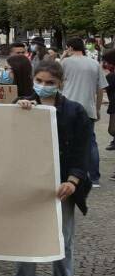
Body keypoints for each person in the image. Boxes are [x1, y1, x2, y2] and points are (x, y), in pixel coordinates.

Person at [12, 61, 90, 276]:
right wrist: (18, 108)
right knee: (27, 238)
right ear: (33, 80)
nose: (44, 87)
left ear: (60, 84)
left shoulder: (75, 112)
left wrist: (73, 180)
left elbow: (82, 150)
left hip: (62, 185)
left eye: (50, 83)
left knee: (63, 240)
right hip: (29, 183)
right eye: (40, 81)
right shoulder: (23, 107)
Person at [59, 37, 107, 187]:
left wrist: (62, 57)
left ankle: (70, 175)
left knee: (67, 142)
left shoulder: (65, 63)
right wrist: (98, 108)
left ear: (70, 48)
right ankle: (94, 178)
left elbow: (57, 81)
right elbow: (100, 89)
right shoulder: (94, 63)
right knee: (90, 142)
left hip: (69, 106)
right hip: (88, 107)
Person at [103, 49, 115, 152]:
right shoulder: (110, 76)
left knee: (112, 130)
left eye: (107, 62)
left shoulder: (110, 77)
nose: (105, 64)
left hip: (114, 105)